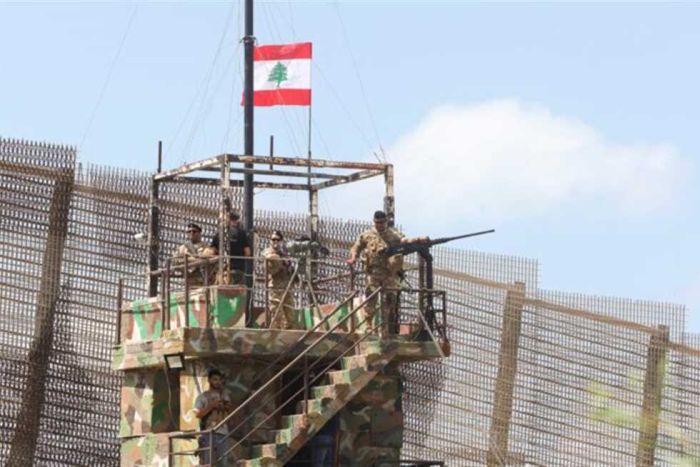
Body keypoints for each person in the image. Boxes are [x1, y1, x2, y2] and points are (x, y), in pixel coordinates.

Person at [347, 210, 424, 336]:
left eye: (382, 222)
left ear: (386, 222)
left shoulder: (393, 234)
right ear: (374, 222)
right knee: (370, 299)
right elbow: (356, 247)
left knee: (390, 300)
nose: (380, 225)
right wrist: (354, 257)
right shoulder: (367, 235)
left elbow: (404, 240)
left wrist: (417, 240)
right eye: (377, 222)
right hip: (373, 273)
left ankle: (386, 328)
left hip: (389, 274)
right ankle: (368, 326)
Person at [194, 368, 234, 466]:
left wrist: (225, 406)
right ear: (209, 380)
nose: (218, 382)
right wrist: (211, 406)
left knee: (223, 462)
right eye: (215, 379)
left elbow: (231, 413)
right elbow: (197, 414)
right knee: (208, 461)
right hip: (208, 433)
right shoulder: (203, 397)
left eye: (219, 380)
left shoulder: (225, 396)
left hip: (223, 432)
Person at [262, 230, 300, 330]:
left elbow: (290, 267)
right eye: (273, 239)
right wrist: (282, 259)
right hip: (275, 287)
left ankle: (289, 332)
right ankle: (276, 333)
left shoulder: (284, 253)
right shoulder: (269, 251)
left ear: (281, 241)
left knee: (290, 313)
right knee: (276, 314)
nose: (275, 242)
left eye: (278, 240)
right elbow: (269, 257)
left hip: (286, 286)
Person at [210, 211, 252, 285]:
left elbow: (211, 252)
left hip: (222, 270)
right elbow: (247, 252)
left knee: (222, 289)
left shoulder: (219, 233)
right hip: (237, 269)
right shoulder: (241, 233)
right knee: (235, 290)